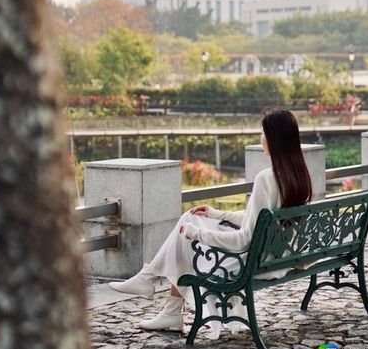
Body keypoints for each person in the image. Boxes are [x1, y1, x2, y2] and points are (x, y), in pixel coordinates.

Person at [108, 108, 313, 334]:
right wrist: (218, 214)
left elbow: (244, 239)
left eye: (263, 132)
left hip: (252, 262)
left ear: (275, 138)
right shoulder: (298, 175)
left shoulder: (266, 178)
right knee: (190, 219)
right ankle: (158, 295)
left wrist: (198, 234)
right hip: (276, 256)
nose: (260, 137)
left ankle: (159, 294)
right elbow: (264, 222)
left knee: (187, 237)